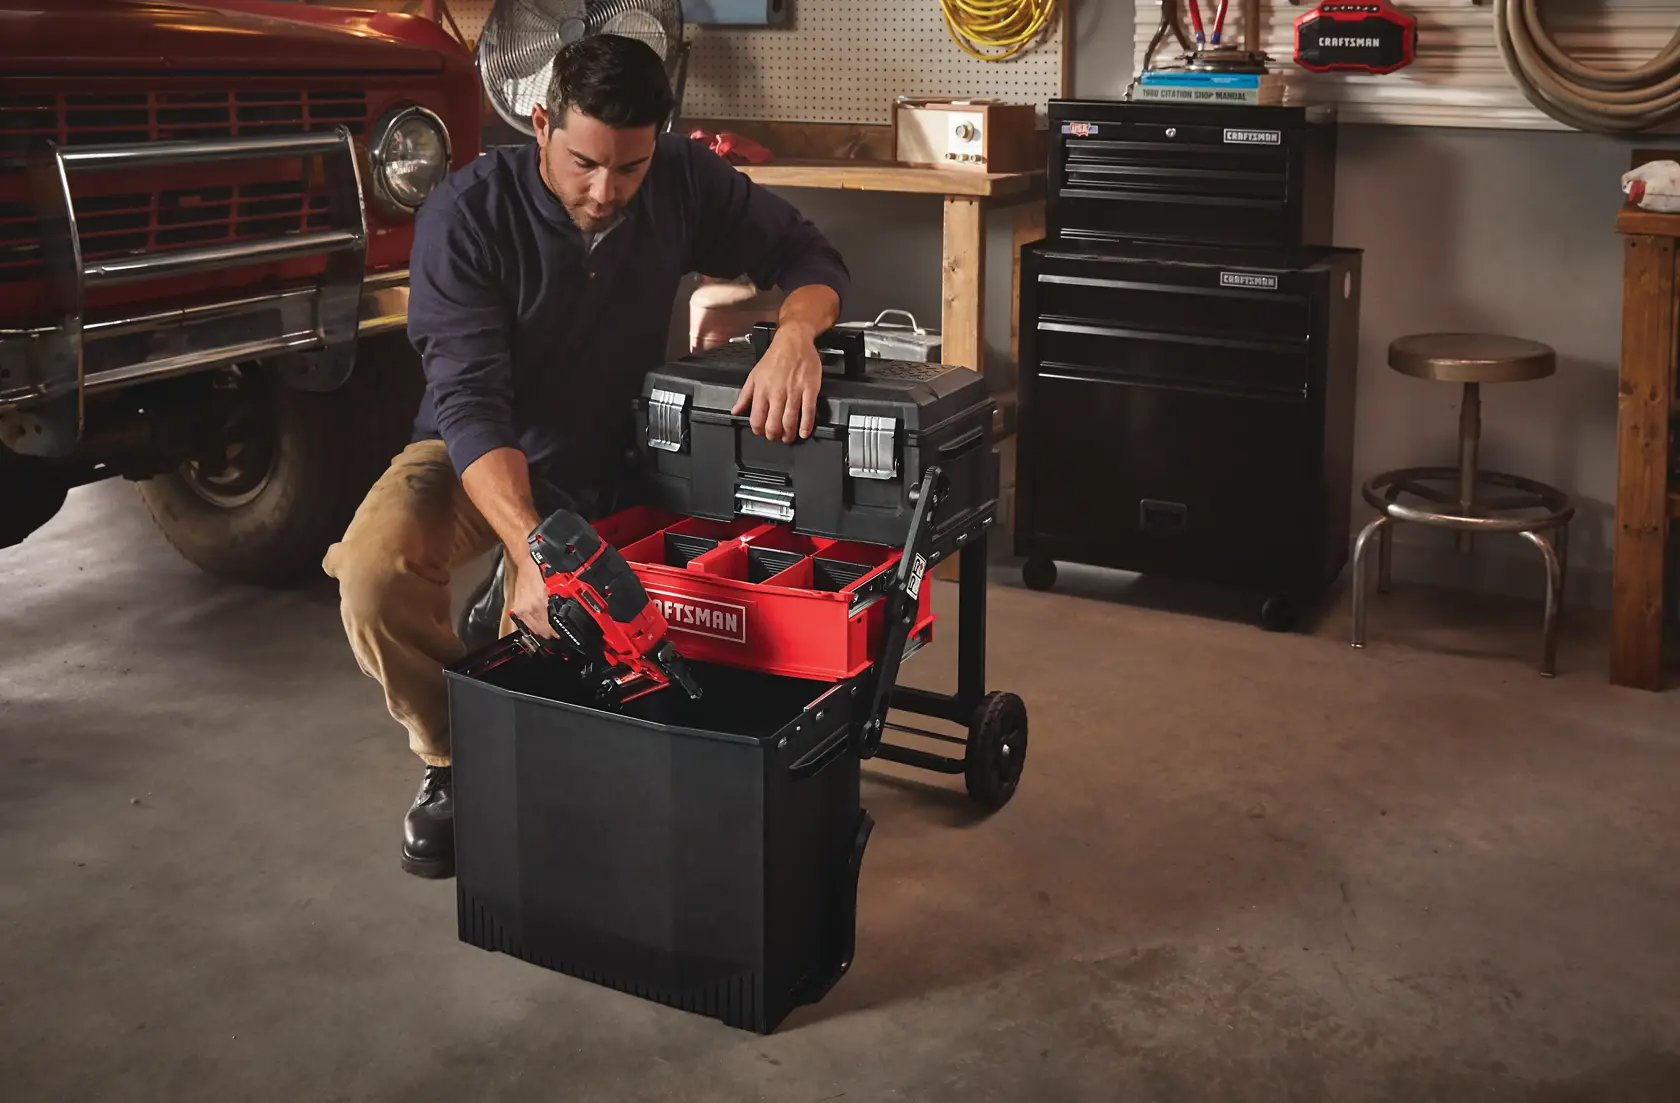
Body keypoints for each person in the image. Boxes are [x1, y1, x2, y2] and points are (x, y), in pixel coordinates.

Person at [321, 34, 848, 880]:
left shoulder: (679, 178)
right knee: (374, 573)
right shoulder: (464, 216)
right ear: (539, 124)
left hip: (612, 455)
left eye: (629, 169)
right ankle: (457, 761)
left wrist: (793, 333)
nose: (606, 192)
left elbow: (811, 256)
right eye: (585, 164)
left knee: (566, 664)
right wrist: (532, 549)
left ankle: (522, 730)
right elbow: (469, 404)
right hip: (475, 453)